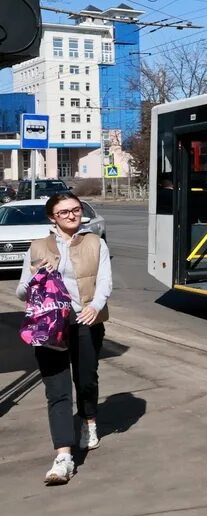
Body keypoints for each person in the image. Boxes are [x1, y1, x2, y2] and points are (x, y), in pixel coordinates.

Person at [16, 192, 112, 486]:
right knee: (57, 390)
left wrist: (95, 306)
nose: (72, 215)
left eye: (76, 209)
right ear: (52, 218)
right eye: (64, 212)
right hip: (48, 326)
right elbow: (21, 292)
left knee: (85, 379)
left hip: (85, 319)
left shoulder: (96, 243)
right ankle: (63, 457)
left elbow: (106, 281)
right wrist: (35, 278)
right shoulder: (37, 247)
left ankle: (88, 419)